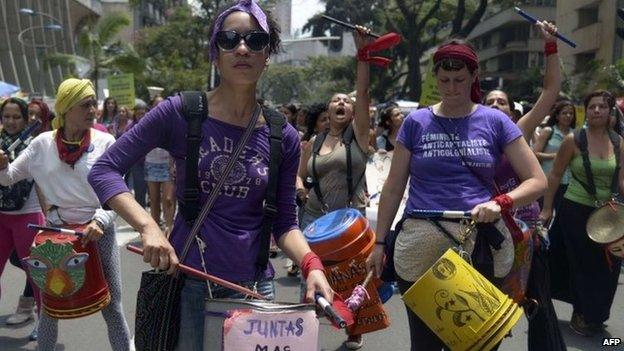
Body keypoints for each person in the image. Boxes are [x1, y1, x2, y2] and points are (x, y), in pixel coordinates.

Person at [87, 2, 333, 350]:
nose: (243, 48)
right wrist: (149, 226)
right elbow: (104, 169)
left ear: (267, 55)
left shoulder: (284, 136)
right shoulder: (182, 112)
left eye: (256, 40)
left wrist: (312, 264)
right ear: (215, 52)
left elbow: (285, 223)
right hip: (190, 287)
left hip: (255, 290)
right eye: (230, 39)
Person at [367, 39, 547, 350]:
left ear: (474, 77)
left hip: (477, 244)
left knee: (476, 342)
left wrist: (500, 202)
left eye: (460, 80)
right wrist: (379, 242)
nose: (451, 88)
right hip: (419, 243)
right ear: (435, 78)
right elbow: (394, 186)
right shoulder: (416, 122)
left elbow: (537, 180)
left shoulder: (495, 121)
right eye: (445, 80)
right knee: (424, 344)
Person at [0, 79, 131, 351]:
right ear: (66, 107)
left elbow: (119, 191)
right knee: (50, 306)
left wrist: (100, 220)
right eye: (85, 104)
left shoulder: (106, 141)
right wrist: (2, 165)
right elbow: (8, 178)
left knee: (112, 304)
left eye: (94, 103)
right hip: (58, 234)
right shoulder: (41, 144)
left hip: (99, 231)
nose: (93, 109)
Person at [484, 21, 567, 351]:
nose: (495, 106)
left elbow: (550, 93)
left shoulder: (516, 131)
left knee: (536, 302)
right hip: (488, 231)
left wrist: (550, 47)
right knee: (488, 305)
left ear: (512, 111)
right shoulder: (468, 138)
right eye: (489, 101)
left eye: (501, 102)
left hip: (526, 231)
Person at [295, 27, 372, 350]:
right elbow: (299, 176)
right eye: (335, 101)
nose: (341, 103)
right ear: (327, 112)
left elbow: (364, 93)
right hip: (313, 217)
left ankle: (353, 333)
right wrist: (299, 188)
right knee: (312, 277)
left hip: (349, 222)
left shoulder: (360, 139)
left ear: (353, 113)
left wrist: (362, 54)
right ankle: (303, 334)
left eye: (346, 101)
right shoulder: (313, 142)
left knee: (351, 278)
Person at [540, 89, 623, 337]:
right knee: (581, 265)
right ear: (585, 111)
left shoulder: (619, 142)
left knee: (610, 267)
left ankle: (596, 313)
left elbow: (621, 181)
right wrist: (546, 209)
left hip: (609, 215)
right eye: (592, 106)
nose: (596, 110)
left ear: (610, 112)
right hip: (575, 210)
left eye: (602, 106)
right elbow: (555, 174)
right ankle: (582, 312)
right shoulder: (573, 140)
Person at [0, 98, 46, 338]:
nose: (10, 121)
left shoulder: (34, 145)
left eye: (16, 117)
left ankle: (44, 322)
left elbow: (41, 184)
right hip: (1, 218)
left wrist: (50, 219)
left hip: (27, 217)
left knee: (35, 272)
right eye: (6, 116)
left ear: (26, 119)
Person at [144, 96, 176, 236]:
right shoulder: (148, 121)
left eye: (162, 104)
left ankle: (169, 228)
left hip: (167, 164)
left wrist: (173, 163)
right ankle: (155, 230)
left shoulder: (173, 120)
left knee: (168, 199)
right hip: (151, 162)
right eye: (157, 104)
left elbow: (176, 143)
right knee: (154, 199)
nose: (160, 106)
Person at [128, 100, 148, 208]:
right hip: (137, 163)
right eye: (139, 113)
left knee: (153, 193)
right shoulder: (131, 127)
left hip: (150, 162)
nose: (141, 116)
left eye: (143, 113)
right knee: (139, 189)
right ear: (135, 113)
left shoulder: (152, 124)